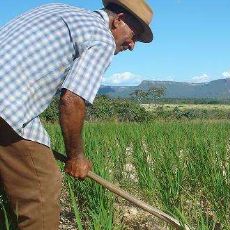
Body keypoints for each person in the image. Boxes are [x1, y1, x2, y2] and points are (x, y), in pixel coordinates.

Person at [0, 0, 153, 229]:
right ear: (118, 20)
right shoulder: (101, 38)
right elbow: (72, 99)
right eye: (134, 35)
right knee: (42, 190)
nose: (132, 45)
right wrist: (76, 157)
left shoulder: (57, 9)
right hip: (7, 106)